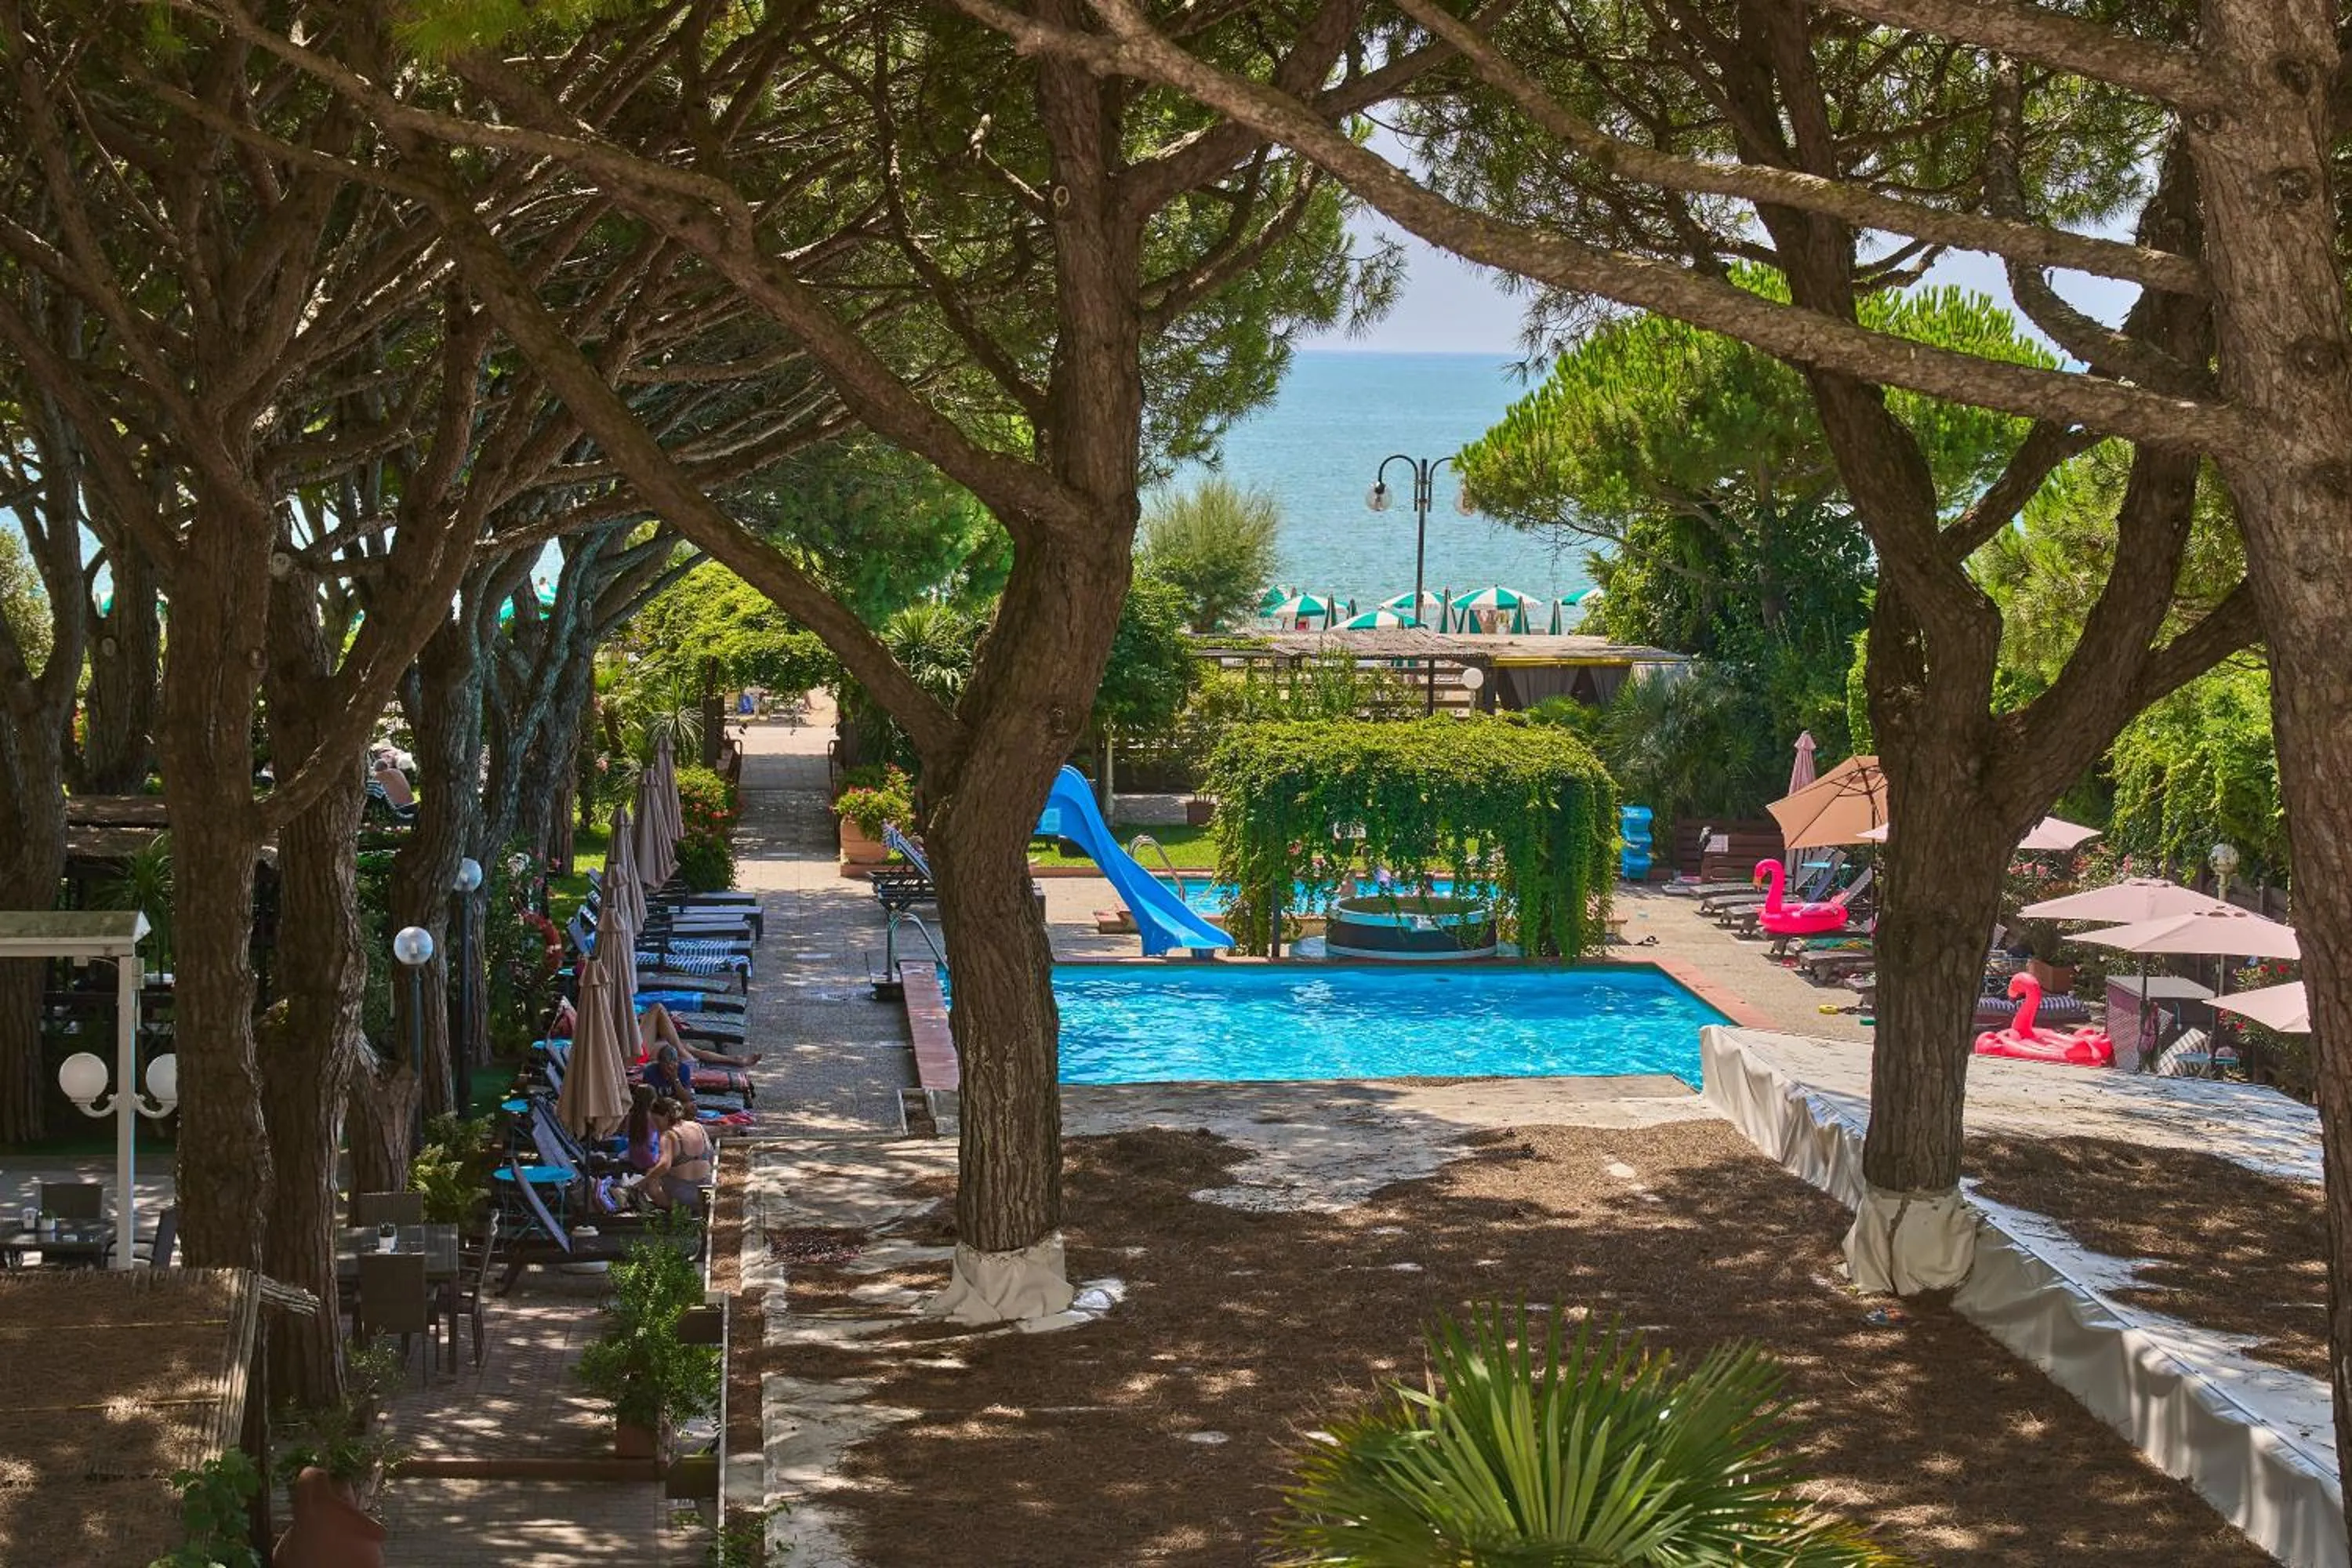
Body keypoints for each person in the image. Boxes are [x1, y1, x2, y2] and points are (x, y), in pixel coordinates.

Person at [644, 1098, 714, 1210]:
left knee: (652, 1178)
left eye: (656, 1121)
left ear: (666, 1116)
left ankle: (672, 1211)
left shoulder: (668, 1135)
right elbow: (711, 1157)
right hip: (706, 1190)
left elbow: (664, 1165)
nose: (656, 1126)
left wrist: (644, 1181)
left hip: (681, 1196)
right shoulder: (698, 1127)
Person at [621, 1084, 660, 1174]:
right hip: (651, 1160)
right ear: (652, 1101)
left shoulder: (631, 1116)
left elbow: (625, 1135)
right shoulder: (654, 1118)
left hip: (634, 1158)